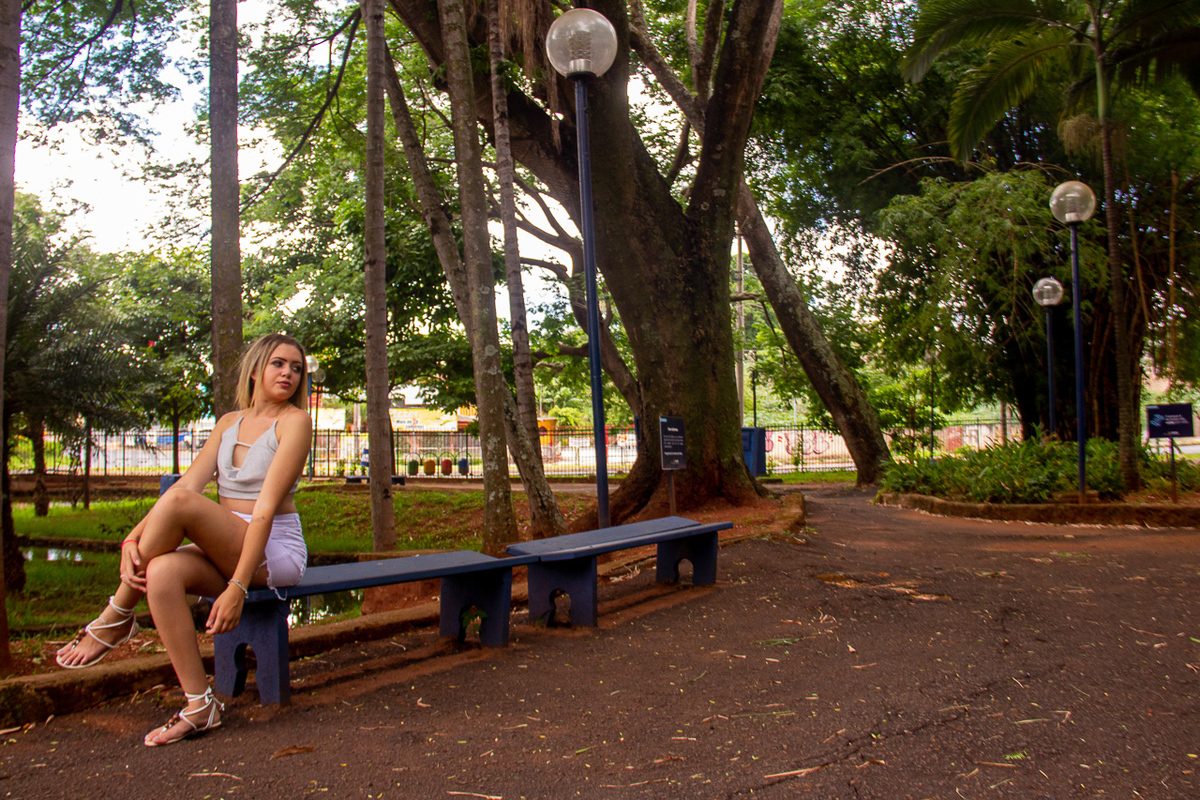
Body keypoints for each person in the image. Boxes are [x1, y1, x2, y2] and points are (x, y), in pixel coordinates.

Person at [55, 334, 313, 746]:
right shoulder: (229, 423)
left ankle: (117, 613)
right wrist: (131, 541)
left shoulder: (296, 422)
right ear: (255, 369)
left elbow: (263, 509)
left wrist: (237, 587)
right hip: (228, 541)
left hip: (273, 551)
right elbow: (192, 483)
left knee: (177, 502)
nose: (288, 373)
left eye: (296, 368)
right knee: (161, 571)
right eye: (279, 364)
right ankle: (199, 704)